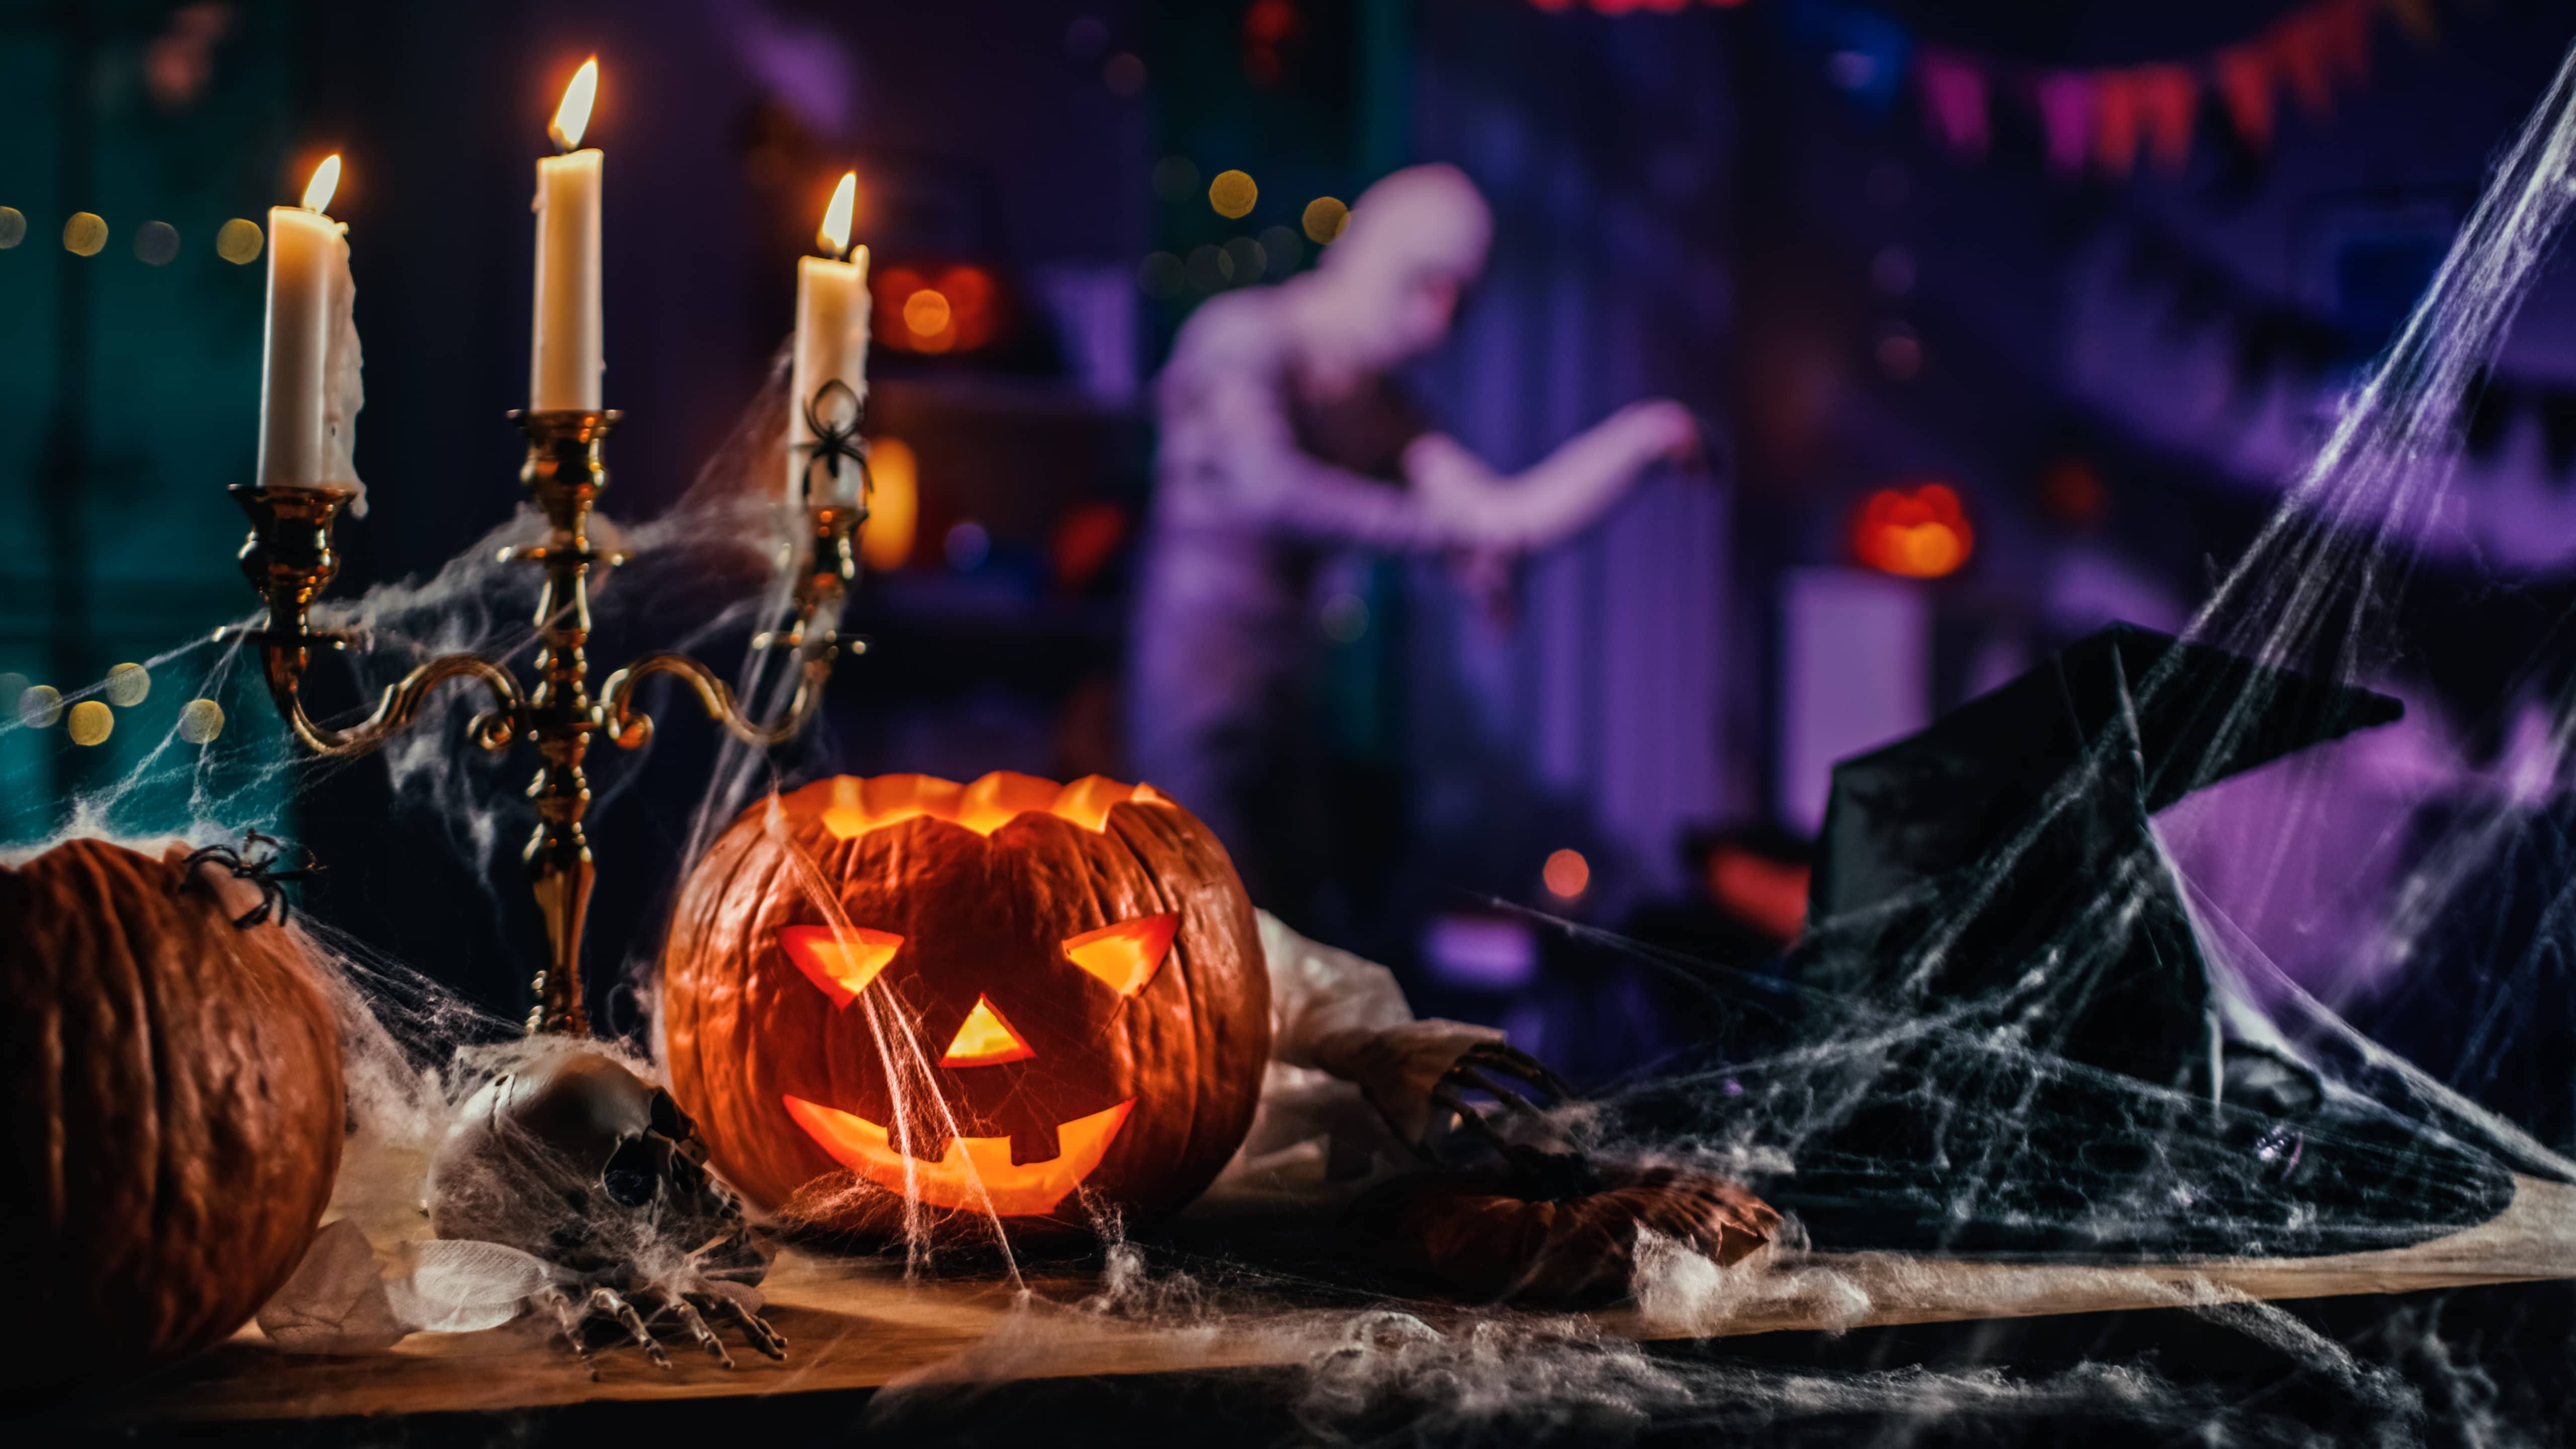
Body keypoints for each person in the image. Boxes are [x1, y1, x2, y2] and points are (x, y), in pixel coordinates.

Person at [1129, 164, 1701, 927]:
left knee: (1287, 920)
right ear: (1384, 256)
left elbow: (1501, 516)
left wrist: (1643, 440)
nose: (1437, 324)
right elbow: (1267, 486)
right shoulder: (1243, 337)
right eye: (1427, 285)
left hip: (1287, 688)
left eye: (1458, 299)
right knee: (1197, 917)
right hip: (1198, 682)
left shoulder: (1382, 408)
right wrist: (1447, 536)